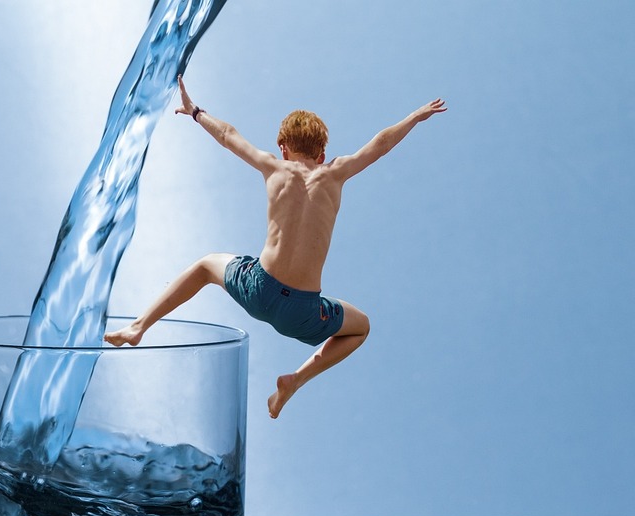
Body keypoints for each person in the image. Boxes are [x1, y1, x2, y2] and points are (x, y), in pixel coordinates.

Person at [105, 76, 446, 418]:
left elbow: (228, 136)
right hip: (302, 313)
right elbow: (381, 144)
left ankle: (139, 327)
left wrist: (195, 112)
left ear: (283, 147)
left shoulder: (273, 166)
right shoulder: (336, 173)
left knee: (208, 265)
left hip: (259, 290)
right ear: (322, 153)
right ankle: (295, 380)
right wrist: (414, 117)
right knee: (362, 327)